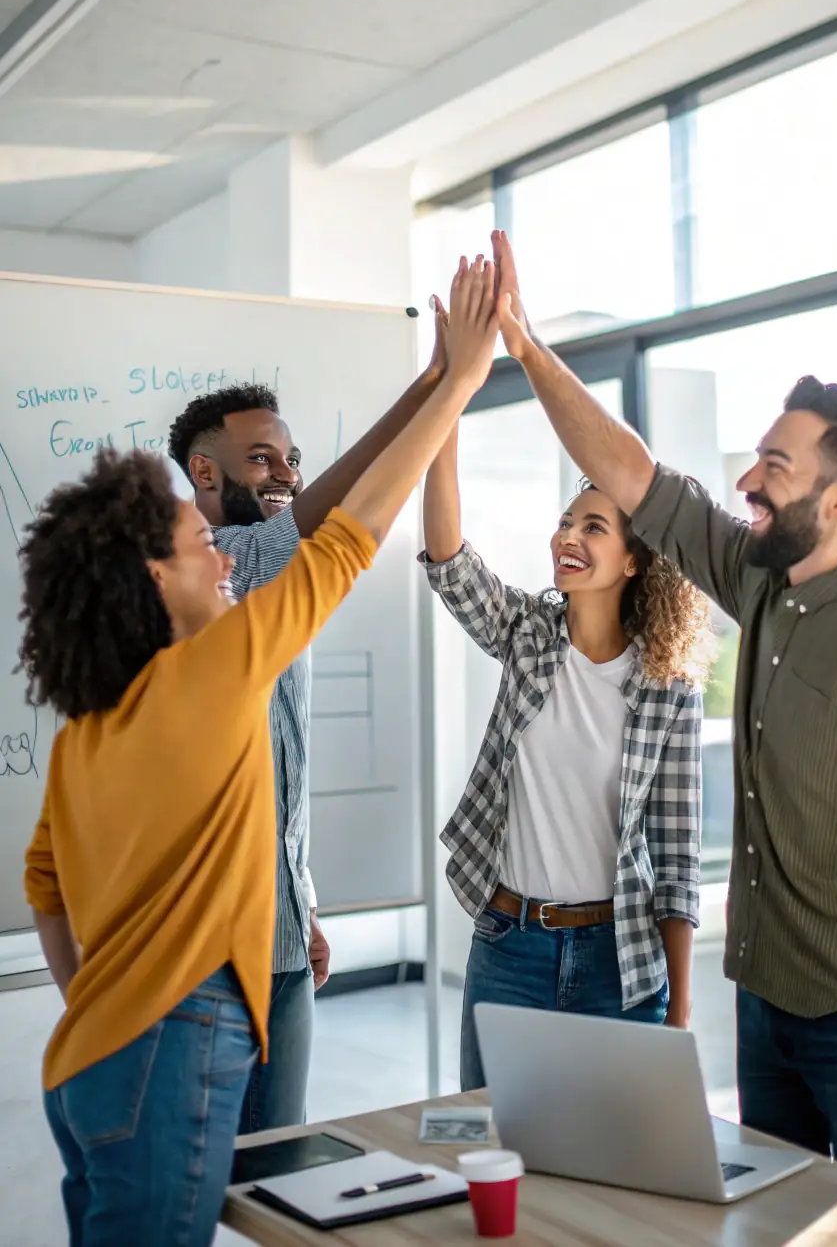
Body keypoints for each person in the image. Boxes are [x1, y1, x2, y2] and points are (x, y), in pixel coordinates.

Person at [487, 229, 837, 1190]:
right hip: (766, 1008)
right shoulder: (763, 582)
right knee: (779, 1218)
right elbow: (640, 476)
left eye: (775, 464)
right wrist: (523, 344)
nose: (747, 480)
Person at [22, 262, 500, 1247]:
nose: (217, 554)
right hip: (173, 1043)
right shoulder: (214, 668)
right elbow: (347, 538)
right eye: (197, 541)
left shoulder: (90, 724)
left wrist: (107, 1003)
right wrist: (456, 384)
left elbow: (44, 887)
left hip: (87, 1056)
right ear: (157, 577)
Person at [423, 260, 712, 1093]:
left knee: (609, 1174)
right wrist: (449, 394)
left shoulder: (667, 686)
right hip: (508, 944)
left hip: (617, 960)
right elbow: (447, 558)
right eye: (564, 521)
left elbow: (678, 858)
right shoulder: (527, 634)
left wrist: (680, 1013)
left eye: (593, 524)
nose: (568, 535)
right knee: (493, 1145)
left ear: (633, 561)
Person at [166, 329, 446, 1133]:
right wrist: (436, 386)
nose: (288, 473)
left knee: (275, 1159)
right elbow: (346, 511)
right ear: (206, 474)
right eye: (264, 458)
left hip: (283, 934)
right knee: (228, 1175)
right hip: (219, 958)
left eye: (292, 457)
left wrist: (303, 903)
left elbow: (272, 776)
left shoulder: (266, 576)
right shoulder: (227, 564)